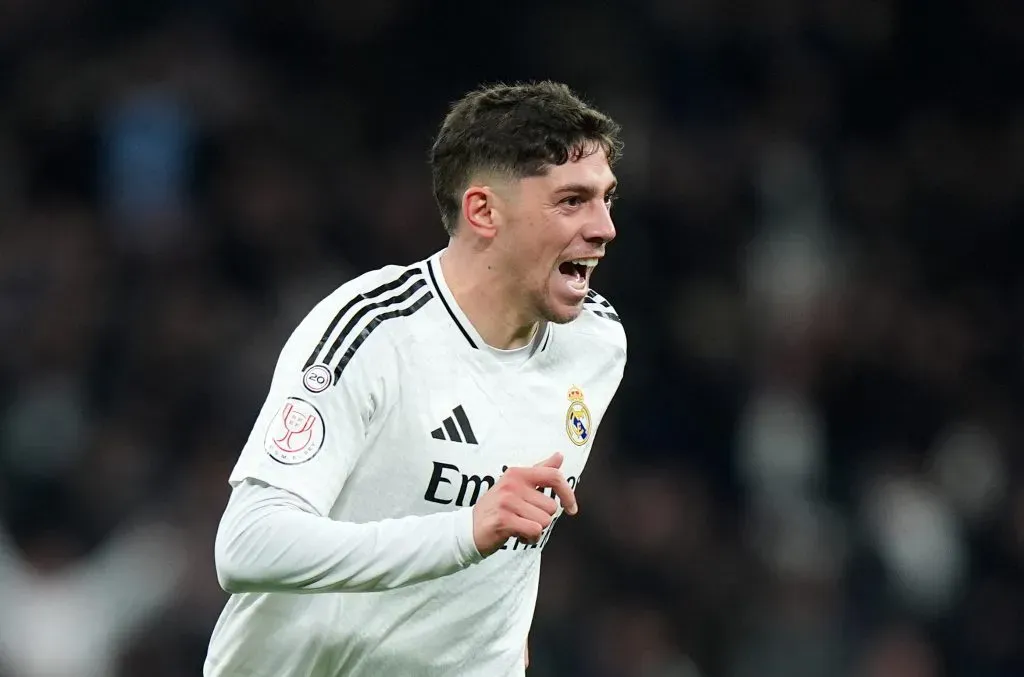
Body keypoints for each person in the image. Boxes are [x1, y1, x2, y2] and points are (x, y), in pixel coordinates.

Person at [204, 80, 627, 677]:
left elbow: (509, 558)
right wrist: (463, 531)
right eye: (571, 201)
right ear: (483, 211)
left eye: (607, 198)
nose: (605, 227)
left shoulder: (598, 343)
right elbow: (248, 545)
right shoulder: (375, 331)